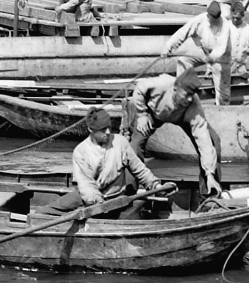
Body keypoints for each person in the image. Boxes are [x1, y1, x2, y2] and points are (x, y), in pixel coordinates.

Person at [45, 107, 171, 215]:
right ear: (90, 130)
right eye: (102, 130)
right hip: (91, 198)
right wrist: (98, 201)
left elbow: (140, 170)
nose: (108, 132)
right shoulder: (81, 152)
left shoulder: (120, 142)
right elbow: (86, 185)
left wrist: (156, 186)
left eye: (109, 128)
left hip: (116, 197)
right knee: (46, 212)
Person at [124, 62, 224, 197]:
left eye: (192, 95)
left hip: (183, 118)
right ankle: (130, 192)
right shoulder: (162, 83)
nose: (189, 99)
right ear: (175, 89)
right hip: (153, 114)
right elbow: (139, 89)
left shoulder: (193, 105)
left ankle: (210, 191)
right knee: (135, 146)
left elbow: (203, 141)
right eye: (186, 95)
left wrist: (210, 174)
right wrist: (142, 114)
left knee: (213, 141)